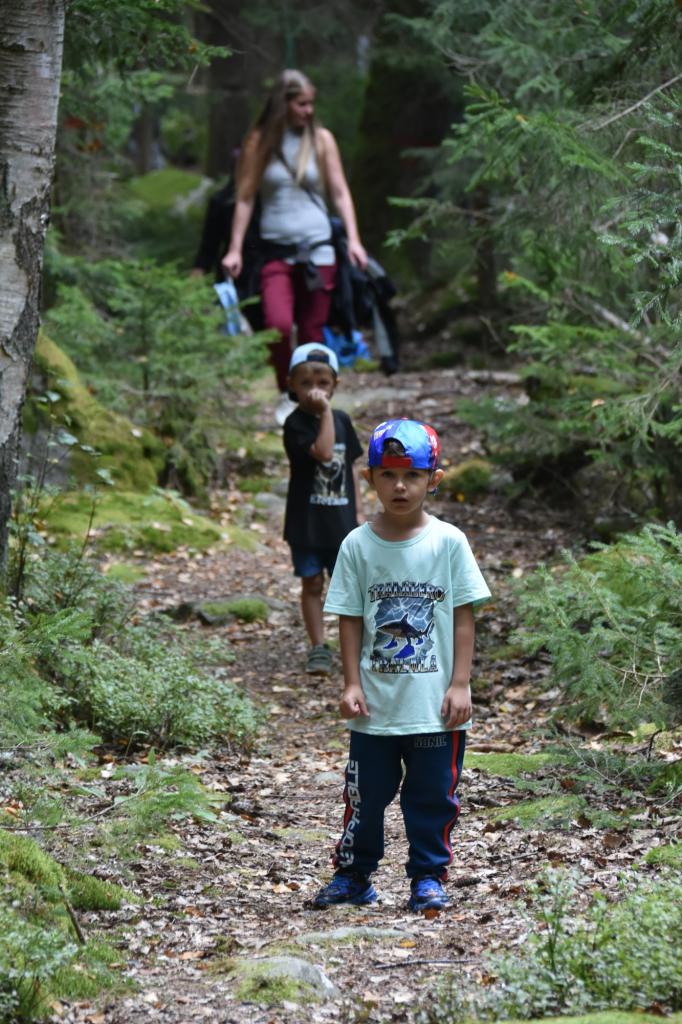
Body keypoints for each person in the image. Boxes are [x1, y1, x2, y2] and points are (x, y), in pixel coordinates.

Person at [312, 419, 491, 912]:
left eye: (412, 475)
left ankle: (428, 878)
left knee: (433, 796)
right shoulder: (357, 545)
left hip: (435, 707)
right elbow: (350, 617)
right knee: (365, 796)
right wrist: (351, 682)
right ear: (369, 478)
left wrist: (460, 683)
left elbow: (463, 616)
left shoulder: (448, 542)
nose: (400, 486)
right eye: (388, 475)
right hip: (375, 708)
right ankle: (354, 876)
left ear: (433, 479)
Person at [221, 69, 367, 425]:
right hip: (275, 250)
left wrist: (354, 240)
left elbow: (340, 192)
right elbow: (245, 197)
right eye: (301, 104)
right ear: (283, 103)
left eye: (311, 104)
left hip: (319, 250)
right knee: (279, 325)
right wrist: (235, 248)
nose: (308, 111)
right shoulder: (259, 142)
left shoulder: (321, 140)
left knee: (314, 332)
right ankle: (287, 392)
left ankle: (317, 402)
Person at [283, 342, 364, 676]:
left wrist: (359, 513)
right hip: (306, 523)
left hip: (340, 522)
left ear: (335, 385)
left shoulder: (343, 419)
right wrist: (325, 413)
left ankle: (355, 646)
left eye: (322, 383)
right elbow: (325, 452)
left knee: (349, 588)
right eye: (305, 383)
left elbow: (351, 467)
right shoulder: (295, 423)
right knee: (312, 583)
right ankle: (319, 646)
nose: (315, 390)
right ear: (291, 384)